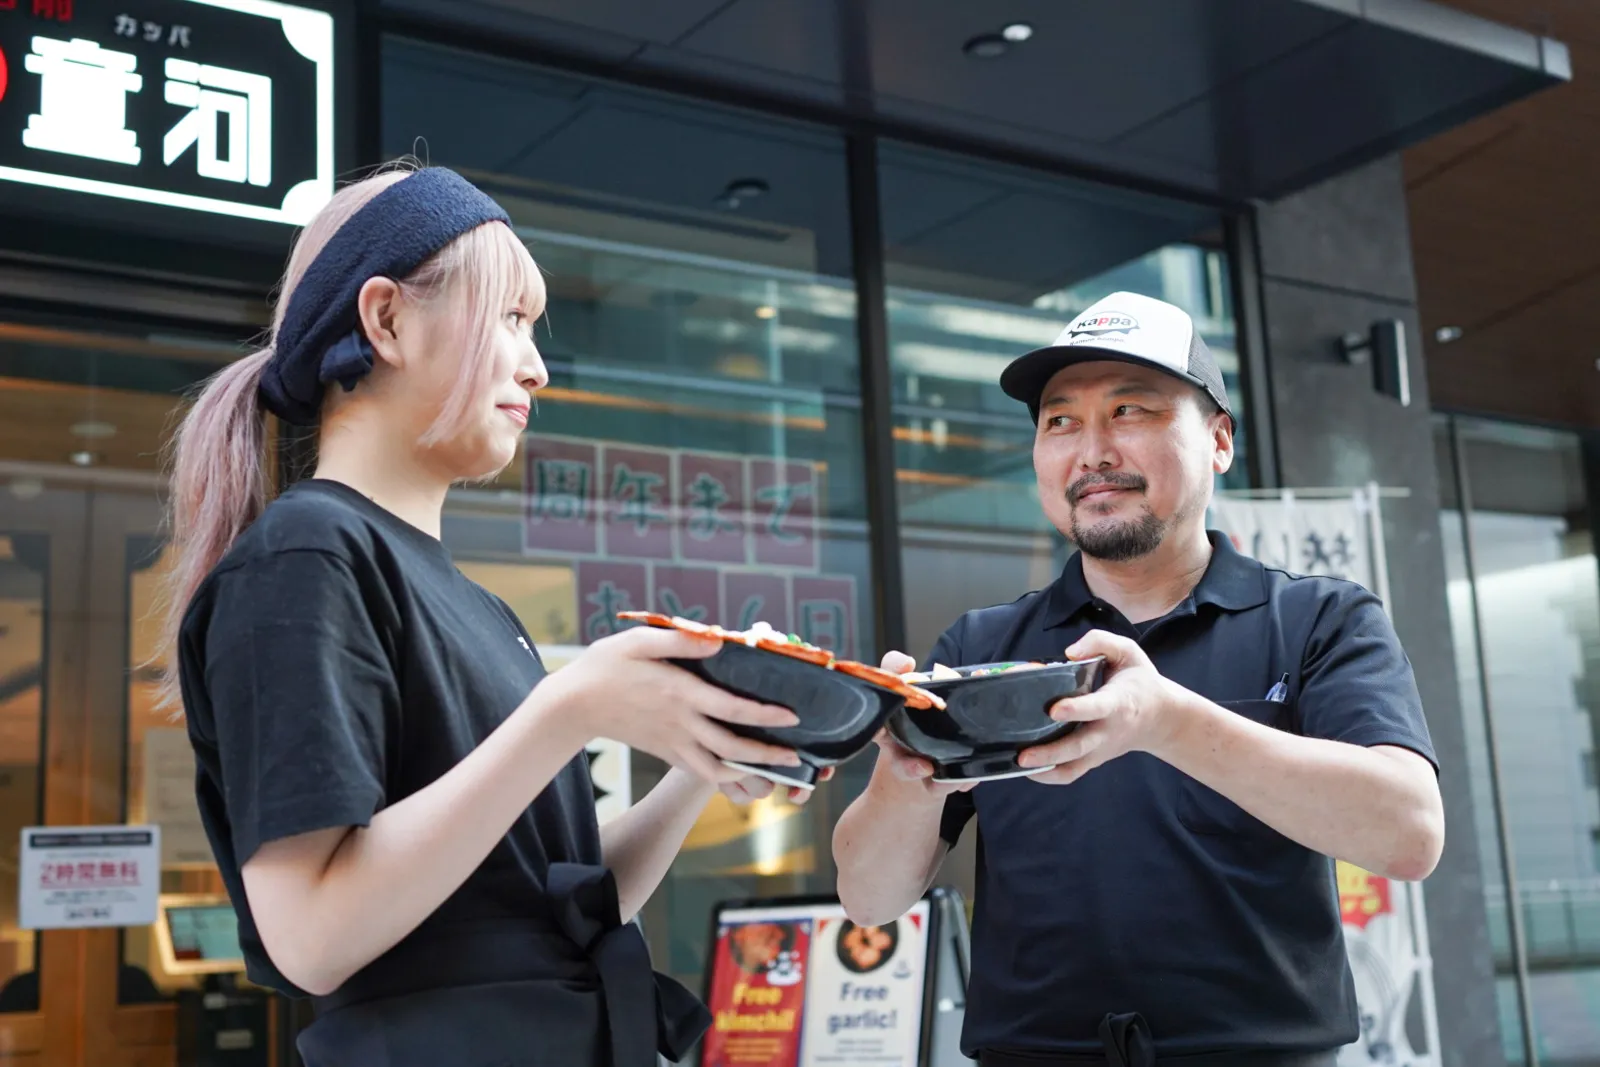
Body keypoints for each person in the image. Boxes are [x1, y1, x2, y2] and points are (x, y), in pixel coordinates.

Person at [157, 164, 811, 1067]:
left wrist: (703, 758)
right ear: (385, 319)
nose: (537, 366)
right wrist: (570, 706)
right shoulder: (306, 554)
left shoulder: (474, 603)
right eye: (511, 317)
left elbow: (559, 904)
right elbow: (309, 936)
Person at [832, 292, 1445, 1067]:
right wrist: (906, 762)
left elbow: (1409, 833)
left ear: (1219, 440)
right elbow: (869, 897)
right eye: (1060, 421)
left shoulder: (1317, 619)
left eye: (1130, 410)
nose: (1090, 452)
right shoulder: (984, 645)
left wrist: (1166, 721)